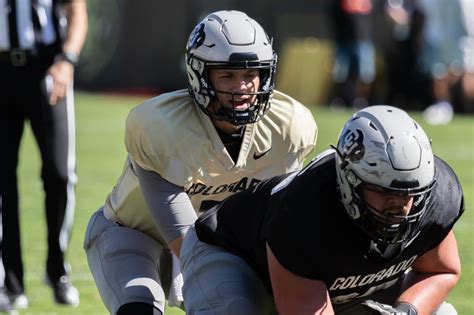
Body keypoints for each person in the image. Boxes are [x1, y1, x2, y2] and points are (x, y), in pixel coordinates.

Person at [83, 10, 318, 315]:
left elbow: (281, 224)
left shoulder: (287, 128)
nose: (242, 87)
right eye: (228, 75)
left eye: (251, 75)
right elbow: (186, 242)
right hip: (134, 234)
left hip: (219, 243)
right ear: (200, 75)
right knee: (140, 308)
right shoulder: (162, 128)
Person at [181, 105, 464, 314]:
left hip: (328, 284)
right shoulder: (304, 214)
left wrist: (405, 312)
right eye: (384, 191)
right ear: (348, 180)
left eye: (410, 193)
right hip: (236, 255)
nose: (401, 206)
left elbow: (442, 271)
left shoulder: (437, 198)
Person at [0, 0, 88, 312]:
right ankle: (9, 284)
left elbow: (77, 10)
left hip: (46, 67)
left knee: (60, 172)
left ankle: (57, 269)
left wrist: (67, 59)